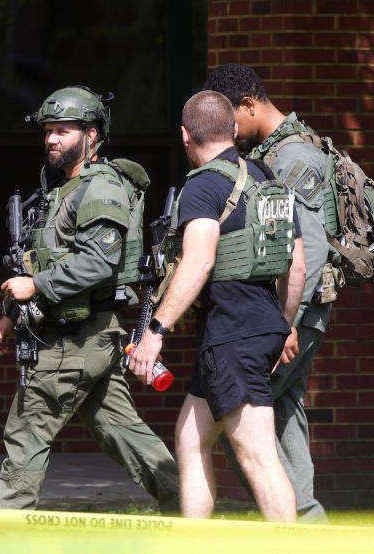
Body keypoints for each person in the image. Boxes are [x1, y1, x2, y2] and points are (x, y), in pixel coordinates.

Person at [0, 85, 180, 513]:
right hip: (77, 336)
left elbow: (98, 264)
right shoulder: (64, 189)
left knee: (26, 432)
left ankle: (6, 536)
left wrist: (35, 288)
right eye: (48, 131)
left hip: (76, 340)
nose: (51, 139)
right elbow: (42, 262)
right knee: (121, 430)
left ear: (91, 135)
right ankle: (189, 507)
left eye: (62, 130)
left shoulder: (100, 188)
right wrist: (10, 316)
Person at [129, 90, 304, 522]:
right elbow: (295, 266)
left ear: (185, 135)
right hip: (254, 325)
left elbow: (199, 260)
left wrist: (155, 331)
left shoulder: (204, 186)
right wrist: (282, 326)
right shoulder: (265, 178)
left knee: (258, 457)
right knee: (190, 437)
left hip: (232, 334)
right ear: (232, 130)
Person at [204, 64, 334, 522]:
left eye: (231, 120)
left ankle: (294, 528)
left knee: (236, 419)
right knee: (280, 420)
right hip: (287, 314)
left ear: (248, 105)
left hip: (294, 314)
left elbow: (310, 252)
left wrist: (284, 326)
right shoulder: (273, 153)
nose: (228, 132)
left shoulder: (293, 158)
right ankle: (307, 530)